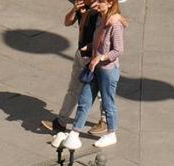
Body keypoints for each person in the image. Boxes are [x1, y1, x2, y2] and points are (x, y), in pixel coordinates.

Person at [53, 0, 126, 150]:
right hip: (94, 67)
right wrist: (90, 47)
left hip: (108, 70)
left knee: (108, 102)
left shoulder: (115, 23)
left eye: (100, 1)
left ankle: (111, 133)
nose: (97, 4)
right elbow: (97, 41)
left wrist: (100, 57)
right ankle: (75, 132)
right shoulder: (101, 18)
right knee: (85, 100)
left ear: (110, 3)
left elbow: (118, 50)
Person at [47, 0, 106, 136]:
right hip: (80, 54)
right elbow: (67, 22)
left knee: (100, 92)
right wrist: (74, 10)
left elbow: (103, 37)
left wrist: (91, 49)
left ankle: (105, 121)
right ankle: (61, 122)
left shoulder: (100, 10)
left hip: (93, 57)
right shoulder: (81, 6)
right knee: (73, 89)